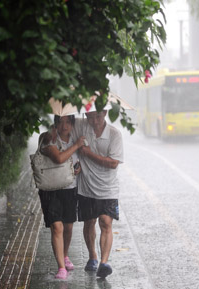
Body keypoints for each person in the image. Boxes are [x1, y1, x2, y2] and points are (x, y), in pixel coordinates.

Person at [72, 109, 124, 278]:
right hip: (86, 186)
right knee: (89, 223)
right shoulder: (81, 126)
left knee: (105, 222)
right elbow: (63, 132)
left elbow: (114, 163)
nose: (95, 121)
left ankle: (104, 262)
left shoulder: (114, 135)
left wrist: (88, 154)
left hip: (108, 188)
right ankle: (92, 256)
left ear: (105, 112)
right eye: (91, 117)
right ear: (86, 115)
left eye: (98, 117)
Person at [37, 115, 86, 280]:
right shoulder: (48, 139)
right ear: (55, 123)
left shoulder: (75, 138)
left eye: (67, 122)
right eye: (60, 122)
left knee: (68, 227)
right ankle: (61, 267)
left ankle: (64, 255)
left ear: (72, 124)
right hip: (51, 190)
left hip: (70, 189)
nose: (64, 126)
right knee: (57, 227)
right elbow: (58, 158)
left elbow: (76, 161)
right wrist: (77, 145)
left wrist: (77, 168)